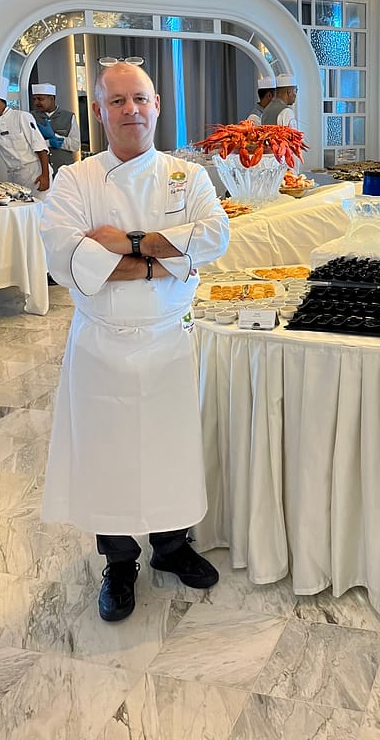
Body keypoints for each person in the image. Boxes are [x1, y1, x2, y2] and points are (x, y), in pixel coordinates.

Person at [40, 61, 229, 623]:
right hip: (101, 345)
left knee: (168, 448)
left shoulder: (185, 176)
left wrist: (128, 243)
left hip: (169, 341)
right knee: (108, 457)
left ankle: (171, 548)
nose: (131, 110)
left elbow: (214, 237)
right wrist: (161, 261)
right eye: (117, 101)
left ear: (158, 105)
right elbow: (66, 260)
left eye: (140, 99)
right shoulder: (75, 181)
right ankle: (119, 562)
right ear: (99, 111)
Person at [0, 74, 50, 197]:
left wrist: (45, 176)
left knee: (41, 211)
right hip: (15, 177)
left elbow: (40, 147)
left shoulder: (21, 117)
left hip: (35, 174)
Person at [31, 83, 81, 174]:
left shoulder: (68, 116)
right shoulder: (31, 117)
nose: (36, 103)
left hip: (64, 170)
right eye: (34, 99)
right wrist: (49, 143)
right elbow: (29, 144)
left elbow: (75, 145)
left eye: (40, 99)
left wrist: (56, 137)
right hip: (40, 171)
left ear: (52, 98)